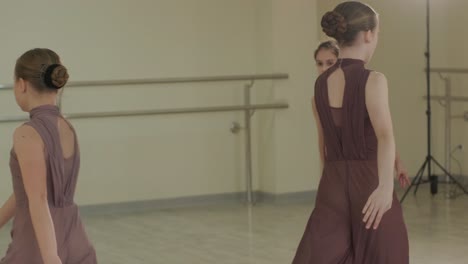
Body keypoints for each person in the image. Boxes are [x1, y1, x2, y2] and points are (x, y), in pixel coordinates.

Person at [294, 2, 410, 263]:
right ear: (369, 34)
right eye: (377, 33)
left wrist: (328, 182)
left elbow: (324, 144)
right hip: (370, 183)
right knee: (387, 255)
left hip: (332, 184)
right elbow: (384, 135)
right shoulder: (374, 80)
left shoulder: (320, 84)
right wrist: (384, 186)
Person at [0, 48, 97, 263]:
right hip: (74, 238)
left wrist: (51, 257)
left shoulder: (27, 133)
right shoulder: (66, 127)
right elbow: (30, 188)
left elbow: (39, 198)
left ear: (21, 84)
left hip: (38, 242)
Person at [314, 40, 410, 190]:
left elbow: (382, 134)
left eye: (329, 62)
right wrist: (326, 172)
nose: (323, 68)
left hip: (369, 168)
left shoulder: (365, 88)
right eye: (319, 63)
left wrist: (398, 163)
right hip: (339, 172)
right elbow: (322, 138)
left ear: (340, 62)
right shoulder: (317, 98)